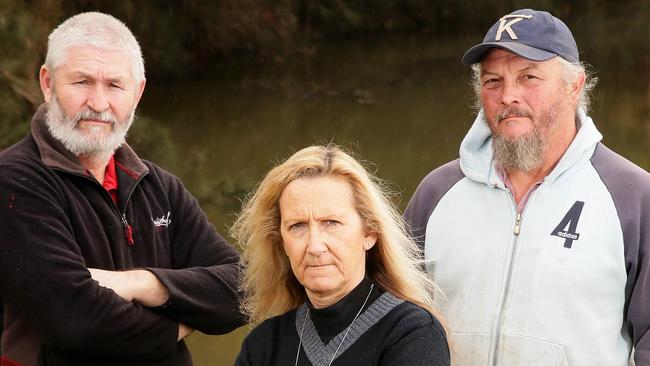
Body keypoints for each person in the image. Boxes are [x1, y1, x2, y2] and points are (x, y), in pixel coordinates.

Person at [404, 8, 650, 365]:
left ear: (574, 87)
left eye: (529, 77)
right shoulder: (436, 193)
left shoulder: (634, 197)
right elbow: (391, 315)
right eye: (492, 81)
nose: (508, 96)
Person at [0, 12, 244, 366]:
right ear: (47, 83)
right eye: (82, 82)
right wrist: (182, 321)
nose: (99, 104)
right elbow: (76, 321)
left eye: (115, 85)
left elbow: (241, 288)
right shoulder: (15, 182)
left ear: (138, 92)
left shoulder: (160, 187)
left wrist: (142, 284)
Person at [230, 145, 450, 365]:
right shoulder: (263, 345)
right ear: (282, 242)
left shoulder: (413, 334)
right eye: (297, 226)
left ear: (369, 233)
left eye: (331, 223)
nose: (315, 246)